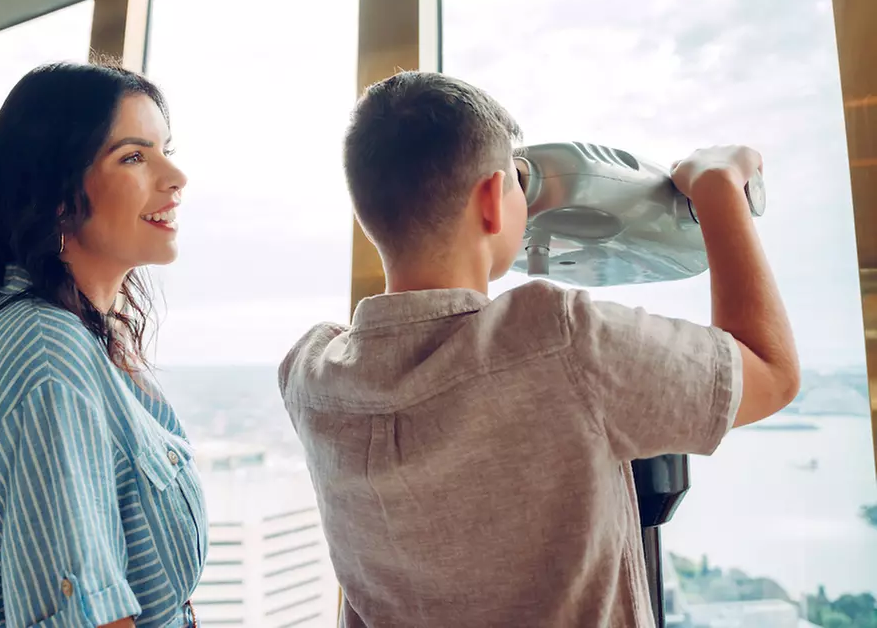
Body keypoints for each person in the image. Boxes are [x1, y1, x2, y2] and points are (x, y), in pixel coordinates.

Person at [278, 71, 799, 626]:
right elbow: (770, 371)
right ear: (491, 202)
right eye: (516, 182)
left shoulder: (310, 377)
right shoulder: (560, 341)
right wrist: (719, 190)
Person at [0, 62, 205, 628]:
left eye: (165, 149)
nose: (175, 176)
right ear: (54, 192)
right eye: (133, 156)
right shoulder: (49, 353)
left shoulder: (66, 330)